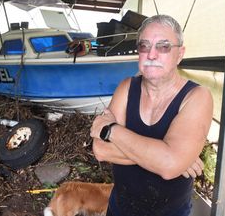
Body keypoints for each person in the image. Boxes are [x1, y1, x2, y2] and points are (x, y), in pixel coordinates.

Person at [90, 14, 213, 216]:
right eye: (144, 46)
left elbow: (169, 165)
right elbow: (101, 150)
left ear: (180, 54)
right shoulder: (127, 87)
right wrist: (170, 157)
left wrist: (111, 130)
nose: (151, 54)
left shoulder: (197, 96)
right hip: (119, 209)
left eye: (163, 47)